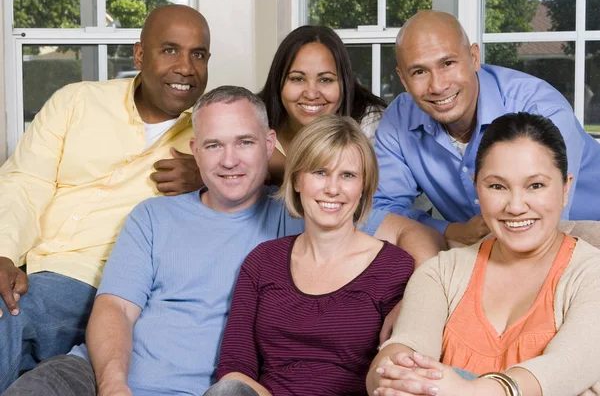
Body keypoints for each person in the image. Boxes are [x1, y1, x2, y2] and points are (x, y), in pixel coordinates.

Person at [4, 86, 445, 396]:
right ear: (195, 150)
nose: (229, 160)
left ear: (270, 145)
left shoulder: (304, 212)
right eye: (214, 146)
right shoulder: (153, 216)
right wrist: (115, 384)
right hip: (99, 375)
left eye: (245, 142)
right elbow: (116, 307)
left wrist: (412, 306)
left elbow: (412, 233)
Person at [0, 4, 209, 392]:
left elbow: (289, 164)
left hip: (100, 286)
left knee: (8, 314)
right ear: (139, 54)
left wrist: (209, 174)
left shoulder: (213, 135)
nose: (186, 67)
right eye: (169, 50)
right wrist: (4, 253)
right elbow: (24, 182)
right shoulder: (76, 102)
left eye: (198, 54)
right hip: (31, 267)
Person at [367, 112, 600, 396]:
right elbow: (407, 345)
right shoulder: (441, 272)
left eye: (535, 185)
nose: (515, 206)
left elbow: (568, 365)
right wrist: (393, 377)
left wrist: (469, 390)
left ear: (566, 188)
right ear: (478, 187)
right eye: (497, 186)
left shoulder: (591, 274)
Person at [207, 115, 414, 396]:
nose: (332, 188)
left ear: (364, 186)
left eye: (348, 175)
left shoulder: (395, 267)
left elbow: (392, 373)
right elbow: (235, 367)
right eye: (319, 172)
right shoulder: (262, 261)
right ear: (296, 181)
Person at [373, 10, 600, 246]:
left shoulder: (539, 108)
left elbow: (546, 224)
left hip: (586, 235)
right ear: (403, 79)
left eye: (448, 63)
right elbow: (379, 212)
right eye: (419, 72)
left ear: (474, 57)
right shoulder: (399, 118)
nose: (438, 86)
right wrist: (450, 230)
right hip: (491, 248)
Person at [258, 25, 387, 184]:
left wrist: (279, 166)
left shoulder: (370, 124)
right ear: (278, 81)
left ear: (344, 83)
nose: (311, 94)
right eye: (298, 79)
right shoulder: (253, 117)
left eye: (325, 80)